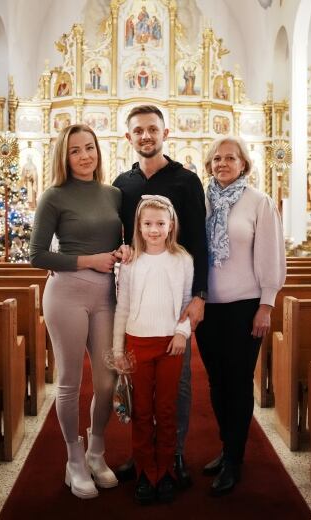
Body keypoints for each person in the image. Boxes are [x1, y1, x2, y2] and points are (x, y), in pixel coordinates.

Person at [113, 105, 208, 490]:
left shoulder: (186, 180)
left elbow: (199, 241)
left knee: (177, 386)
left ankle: (175, 454)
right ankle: (142, 457)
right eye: (139, 131)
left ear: (165, 133)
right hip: (139, 297)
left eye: (152, 129)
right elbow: (119, 235)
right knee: (142, 394)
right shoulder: (122, 183)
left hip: (176, 297)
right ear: (129, 138)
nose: (146, 136)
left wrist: (200, 295)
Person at [29, 124, 122, 499]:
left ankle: (97, 450)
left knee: (106, 381)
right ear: (64, 158)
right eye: (75, 151)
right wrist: (89, 259)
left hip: (107, 295)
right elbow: (37, 254)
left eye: (89, 148)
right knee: (69, 381)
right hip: (66, 293)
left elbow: (125, 237)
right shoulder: (53, 196)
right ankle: (74, 459)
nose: (85, 156)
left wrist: (124, 251)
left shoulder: (113, 194)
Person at [195, 136, 286, 496]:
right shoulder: (200, 200)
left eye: (230, 158)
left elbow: (271, 255)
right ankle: (227, 446)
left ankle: (235, 458)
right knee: (217, 383)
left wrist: (267, 304)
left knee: (238, 382)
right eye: (216, 158)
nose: (222, 163)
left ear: (244, 164)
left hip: (245, 307)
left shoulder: (258, 202)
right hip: (207, 307)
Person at [113, 195, 193, 504]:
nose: (154, 230)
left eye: (160, 223)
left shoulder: (182, 259)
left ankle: (167, 470)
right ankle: (146, 472)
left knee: (167, 409)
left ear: (171, 225)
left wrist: (182, 332)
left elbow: (187, 302)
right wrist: (118, 349)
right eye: (147, 224)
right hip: (138, 342)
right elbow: (123, 307)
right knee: (143, 411)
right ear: (138, 226)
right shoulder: (132, 262)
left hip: (171, 344)